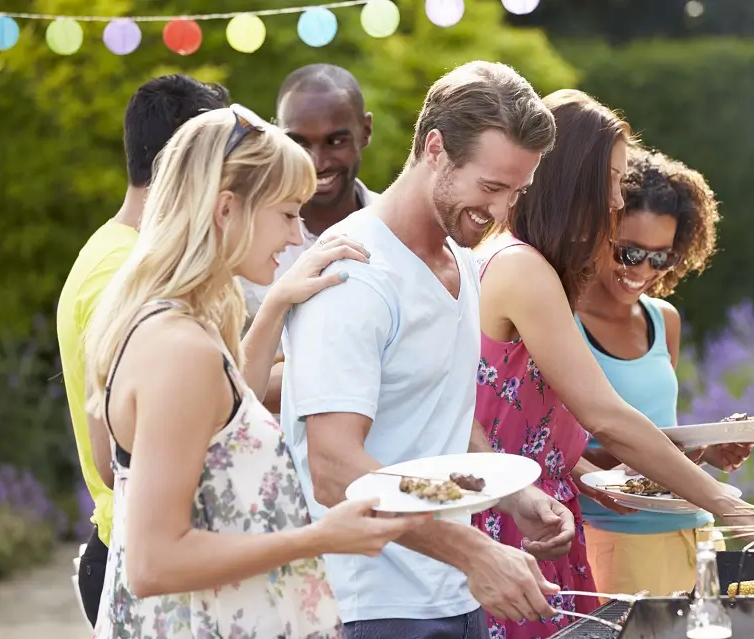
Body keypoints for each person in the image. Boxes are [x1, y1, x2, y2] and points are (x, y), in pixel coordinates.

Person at [83, 105, 426, 638]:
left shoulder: (153, 321)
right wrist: (319, 537)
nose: (296, 237)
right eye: (288, 213)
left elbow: (214, 424)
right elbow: (154, 564)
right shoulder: (180, 351)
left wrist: (275, 307)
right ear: (227, 210)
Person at [281, 61, 578, 639]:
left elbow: (442, 415)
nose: (500, 211)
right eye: (490, 187)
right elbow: (334, 469)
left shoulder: (462, 263)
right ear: (435, 149)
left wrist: (515, 495)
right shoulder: (354, 274)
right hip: (368, 606)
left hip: (449, 596)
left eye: (516, 191)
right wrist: (471, 549)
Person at [471, 90, 754, 639]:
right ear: (574, 178)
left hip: (538, 520)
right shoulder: (521, 267)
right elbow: (604, 415)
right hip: (516, 527)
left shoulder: (520, 262)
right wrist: (727, 502)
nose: (616, 199)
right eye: (612, 179)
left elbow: (534, 430)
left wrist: (593, 472)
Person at [56, 74, 229, 626]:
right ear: (182, 164)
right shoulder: (125, 270)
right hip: (136, 555)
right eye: (217, 163)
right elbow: (122, 448)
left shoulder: (126, 253)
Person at [576, 149, 751, 597]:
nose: (641, 271)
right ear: (598, 231)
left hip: (692, 530)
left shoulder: (662, 319)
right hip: (617, 539)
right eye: (628, 252)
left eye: (660, 258)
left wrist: (704, 448)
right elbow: (559, 451)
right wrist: (654, 453)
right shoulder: (562, 323)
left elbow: (657, 434)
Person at [240, 63, 377, 412]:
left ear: (365, 131)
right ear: (276, 136)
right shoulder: (240, 244)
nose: (317, 162)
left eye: (336, 141)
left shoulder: (400, 231)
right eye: (299, 142)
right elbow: (224, 388)